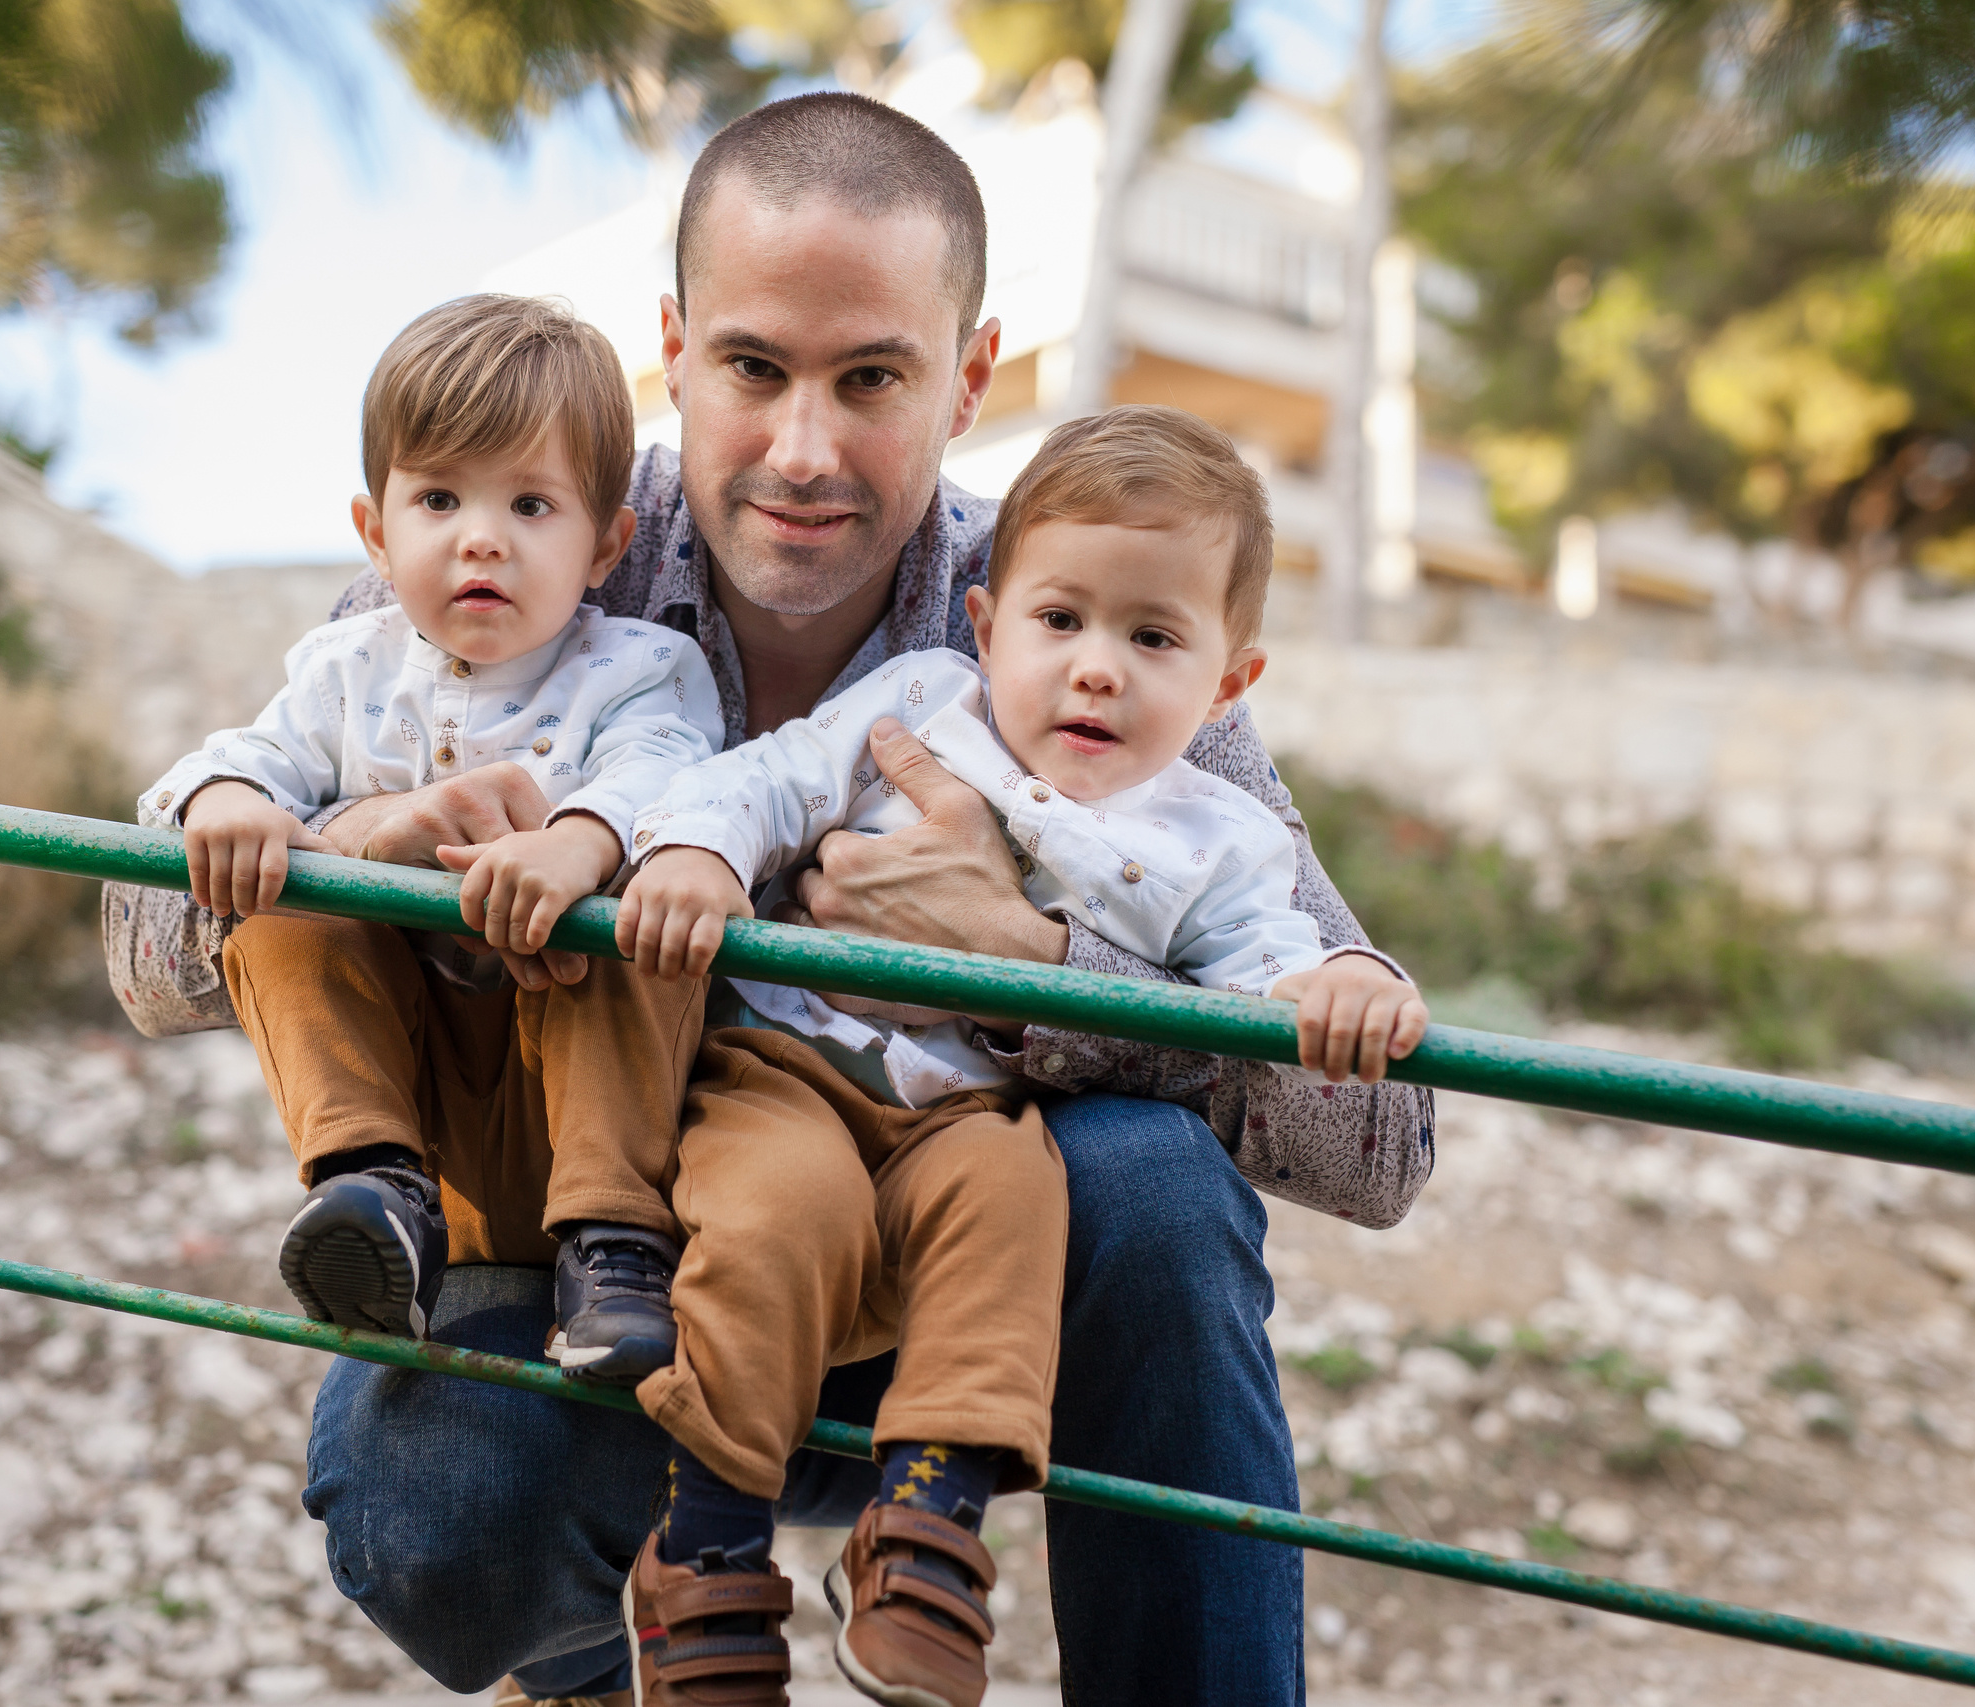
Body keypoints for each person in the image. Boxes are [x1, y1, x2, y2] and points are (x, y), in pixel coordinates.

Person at [106, 91, 1438, 1705]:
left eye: (871, 377)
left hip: (955, 1320)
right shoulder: (516, 535)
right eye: (754, 369)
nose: (804, 449)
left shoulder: (1095, 616)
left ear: (968, 371)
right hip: (613, 1294)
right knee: (431, 1514)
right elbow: (144, 954)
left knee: (1150, 1188)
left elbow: (1381, 1147)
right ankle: (609, 1655)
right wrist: (357, 847)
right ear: (674, 350)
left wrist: (1040, 967)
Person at [605, 405, 1428, 1705]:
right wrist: (699, 848)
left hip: (970, 1113)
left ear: (1227, 685)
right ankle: (704, 1548)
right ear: (984, 626)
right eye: (1061, 623)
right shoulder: (930, 704)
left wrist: (1347, 984)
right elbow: (772, 778)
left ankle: (925, 1528)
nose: (1097, 667)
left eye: (1152, 638)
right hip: (794, 1069)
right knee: (774, 1215)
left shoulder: (1220, 837)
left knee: (1015, 1212)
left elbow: (1282, 975)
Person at [140, 295, 721, 1379]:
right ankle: (372, 1192)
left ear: (606, 545)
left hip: (573, 1094)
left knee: (637, 919)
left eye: (532, 505)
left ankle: (614, 1252)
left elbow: (671, 774)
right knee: (284, 899)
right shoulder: (344, 668)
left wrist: (582, 841)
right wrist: (227, 795)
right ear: (376, 531)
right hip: (422, 1099)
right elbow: (244, 756)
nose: (481, 536)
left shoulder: (640, 667)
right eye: (439, 498)